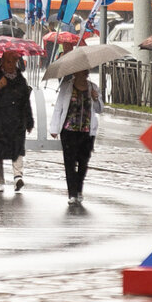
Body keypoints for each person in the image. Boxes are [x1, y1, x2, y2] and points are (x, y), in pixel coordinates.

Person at [0, 50, 33, 191]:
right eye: (9, 61)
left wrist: (29, 120)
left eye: (14, 61)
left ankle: (18, 177)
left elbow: (26, 101)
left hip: (16, 120)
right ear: (2, 61)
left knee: (17, 148)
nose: (12, 65)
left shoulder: (20, 79)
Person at [49, 71, 101, 203]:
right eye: (82, 73)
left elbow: (100, 109)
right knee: (70, 162)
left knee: (83, 162)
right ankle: (72, 193)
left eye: (86, 73)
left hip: (86, 131)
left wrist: (95, 98)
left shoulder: (93, 87)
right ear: (76, 74)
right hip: (69, 130)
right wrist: (54, 128)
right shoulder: (66, 87)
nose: (85, 76)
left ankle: (79, 189)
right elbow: (58, 108)